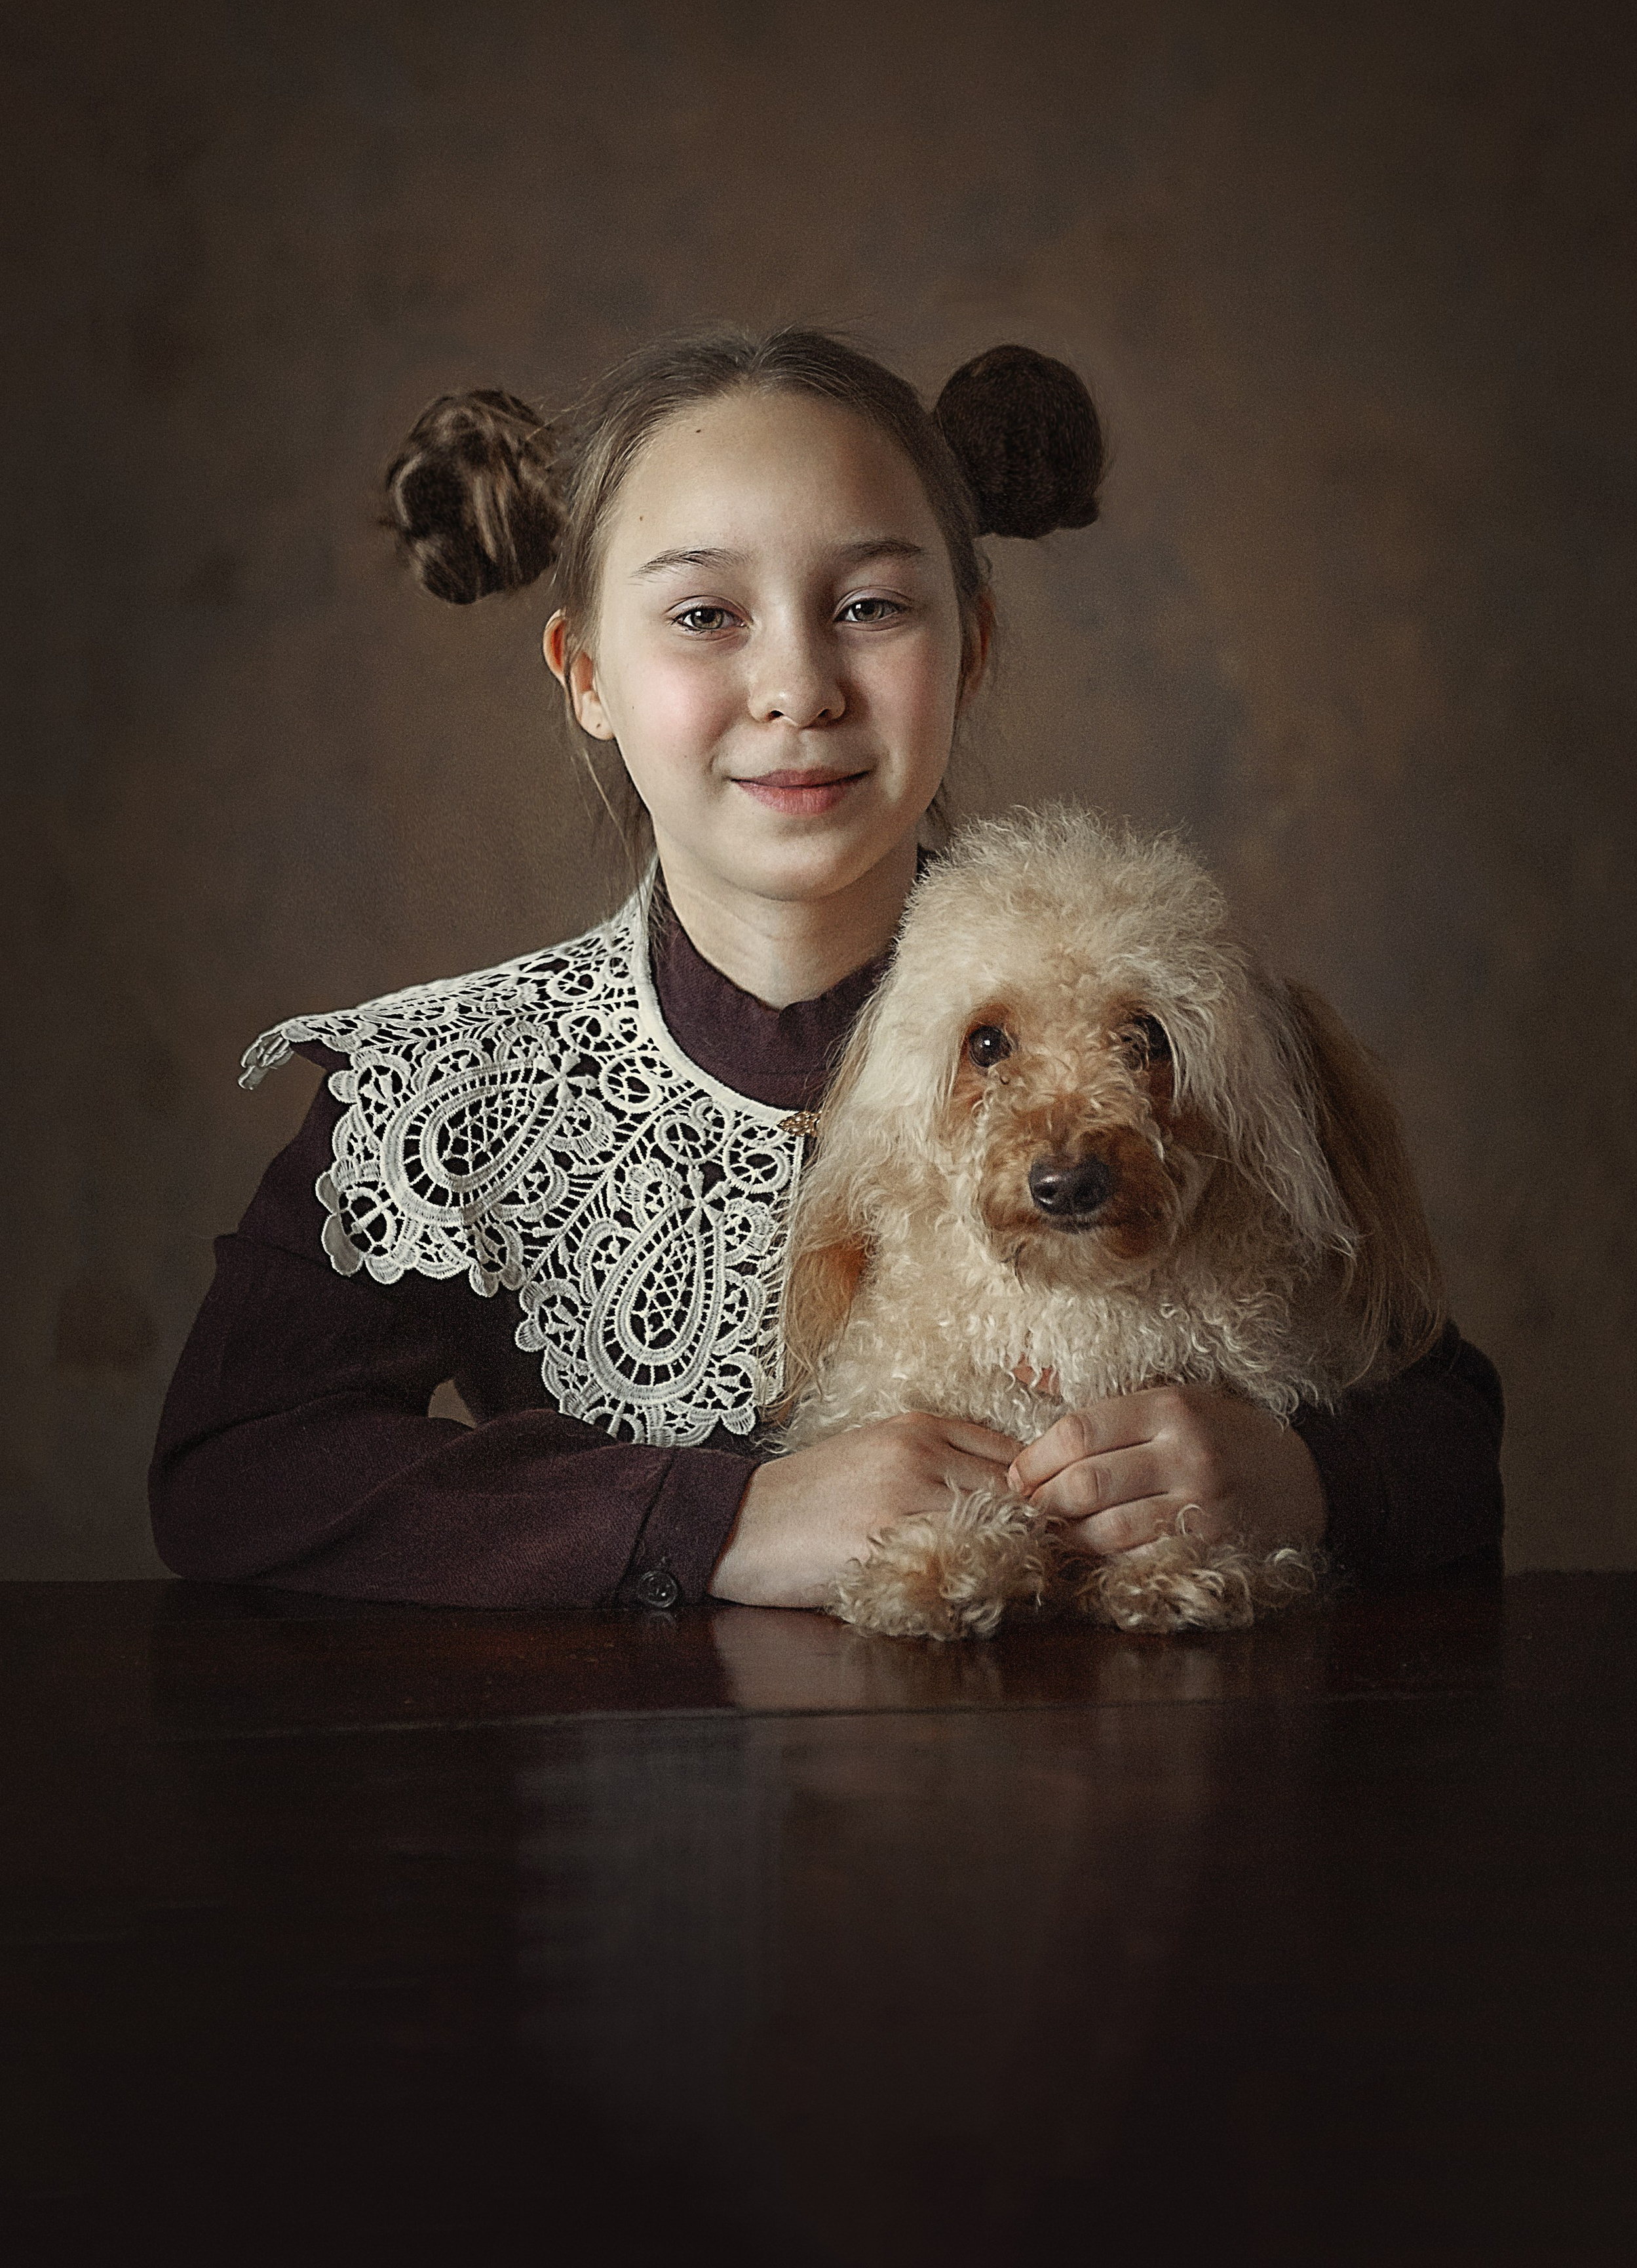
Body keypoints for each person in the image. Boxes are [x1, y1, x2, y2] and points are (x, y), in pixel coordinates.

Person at [151, 328, 1503, 1611]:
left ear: (968, 649)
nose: (797, 686)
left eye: (867, 604)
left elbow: (1442, 1422)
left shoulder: (1174, 1026)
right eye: (701, 614)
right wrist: (716, 1521)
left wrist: (1306, 1480)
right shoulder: (449, 1086)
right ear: (586, 677)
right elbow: (234, 1473)